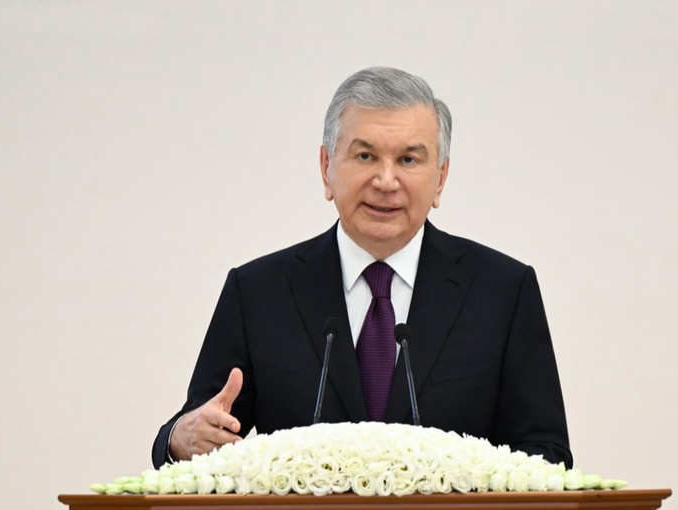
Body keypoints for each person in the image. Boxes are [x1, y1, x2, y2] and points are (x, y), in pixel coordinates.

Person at [152, 66, 572, 470]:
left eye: (408, 160)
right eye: (366, 155)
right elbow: (198, 433)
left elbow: (547, 453)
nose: (386, 181)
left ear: (441, 178)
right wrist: (181, 439)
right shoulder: (258, 293)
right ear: (326, 168)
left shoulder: (503, 292)